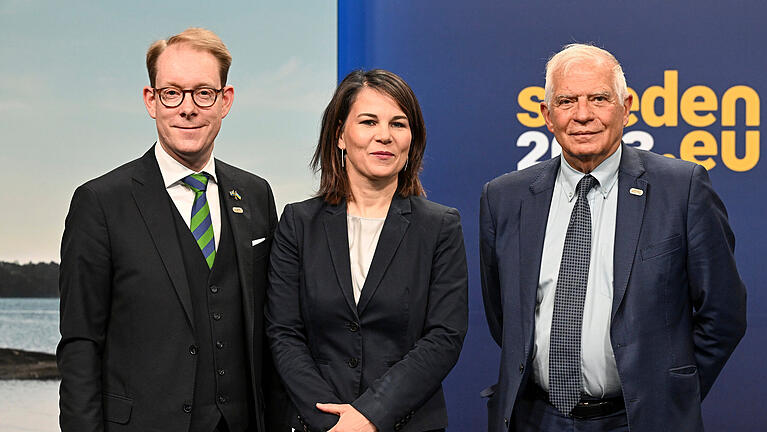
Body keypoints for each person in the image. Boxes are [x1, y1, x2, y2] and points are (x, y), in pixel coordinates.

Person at [479, 44, 746, 432]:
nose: (583, 115)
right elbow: (503, 316)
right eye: (567, 101)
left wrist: (669, 394)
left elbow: (723, 314)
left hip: (640, 420)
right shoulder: (504, 197)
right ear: (547, 115)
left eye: (599, 99)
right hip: (536, 419)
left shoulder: (682, 188)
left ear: (626, 106)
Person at [57, 28, 281, 432]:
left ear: (225, 101)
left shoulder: (256, 194)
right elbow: (80, 344)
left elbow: (273, 329)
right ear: (151, 100)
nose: (188, 108)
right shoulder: (100, 202)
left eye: (203, 93)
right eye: (172, 93)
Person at [266, 69, 468, 432]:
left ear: (413, 139)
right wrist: (331, 422)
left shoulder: (440, 226)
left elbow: (444, 337)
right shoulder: (298, 222)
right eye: (369, 121)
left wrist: (370, 416)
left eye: (398, 123)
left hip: (406, 423)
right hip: (315, 425)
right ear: (341, 134)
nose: (384, 136)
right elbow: (283, 333)